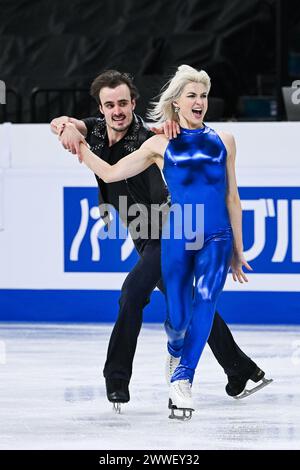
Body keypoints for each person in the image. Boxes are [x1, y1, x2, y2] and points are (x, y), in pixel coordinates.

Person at [52, 69, 271, 417]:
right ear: (101, 107)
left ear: (134, 103)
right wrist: (62, 126)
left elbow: (175, 138)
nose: (118, 110)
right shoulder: (94, 128)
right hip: (143, 234)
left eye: (124, 102)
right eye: (110, 104)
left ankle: (117, 379)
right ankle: (241, 371)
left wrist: (172, 122)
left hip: (169, 230)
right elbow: (67, 125)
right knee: (183, 302)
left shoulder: (150, 134)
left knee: (133, 293)